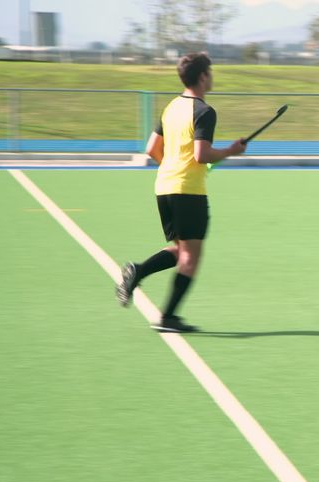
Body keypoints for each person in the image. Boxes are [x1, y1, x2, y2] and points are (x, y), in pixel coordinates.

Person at [115, 53, 246, 332]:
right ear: (202, 77)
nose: (212, 76)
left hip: (165, 186)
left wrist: (173, 166)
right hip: (189, 190)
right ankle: (168, 316)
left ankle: (138, 271)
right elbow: (202, 155)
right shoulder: (204, 111)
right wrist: (230, 151)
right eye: (210, 72)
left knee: (181, 248)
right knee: (191, 256)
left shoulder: (172, 107)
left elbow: (152, 149)